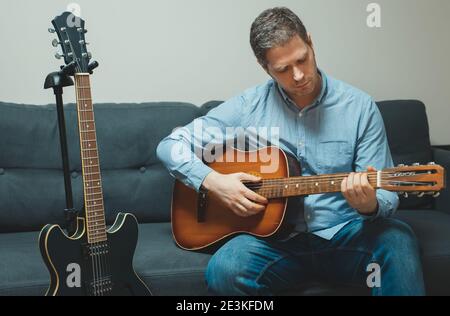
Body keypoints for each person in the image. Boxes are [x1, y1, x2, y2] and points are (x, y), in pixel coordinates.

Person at [156, 7, 425, 295]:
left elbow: (385, 195)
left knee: (397, 240)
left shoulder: (359, 108)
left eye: (302, 59)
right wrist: (215, 183)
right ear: (265, 67)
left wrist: (368, 204)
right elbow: (170, 145)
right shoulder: (248, 107)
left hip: (345, 236)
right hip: (273, 244)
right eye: (283, 69)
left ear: (310, 42)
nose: (298, 75)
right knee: (226, 269)